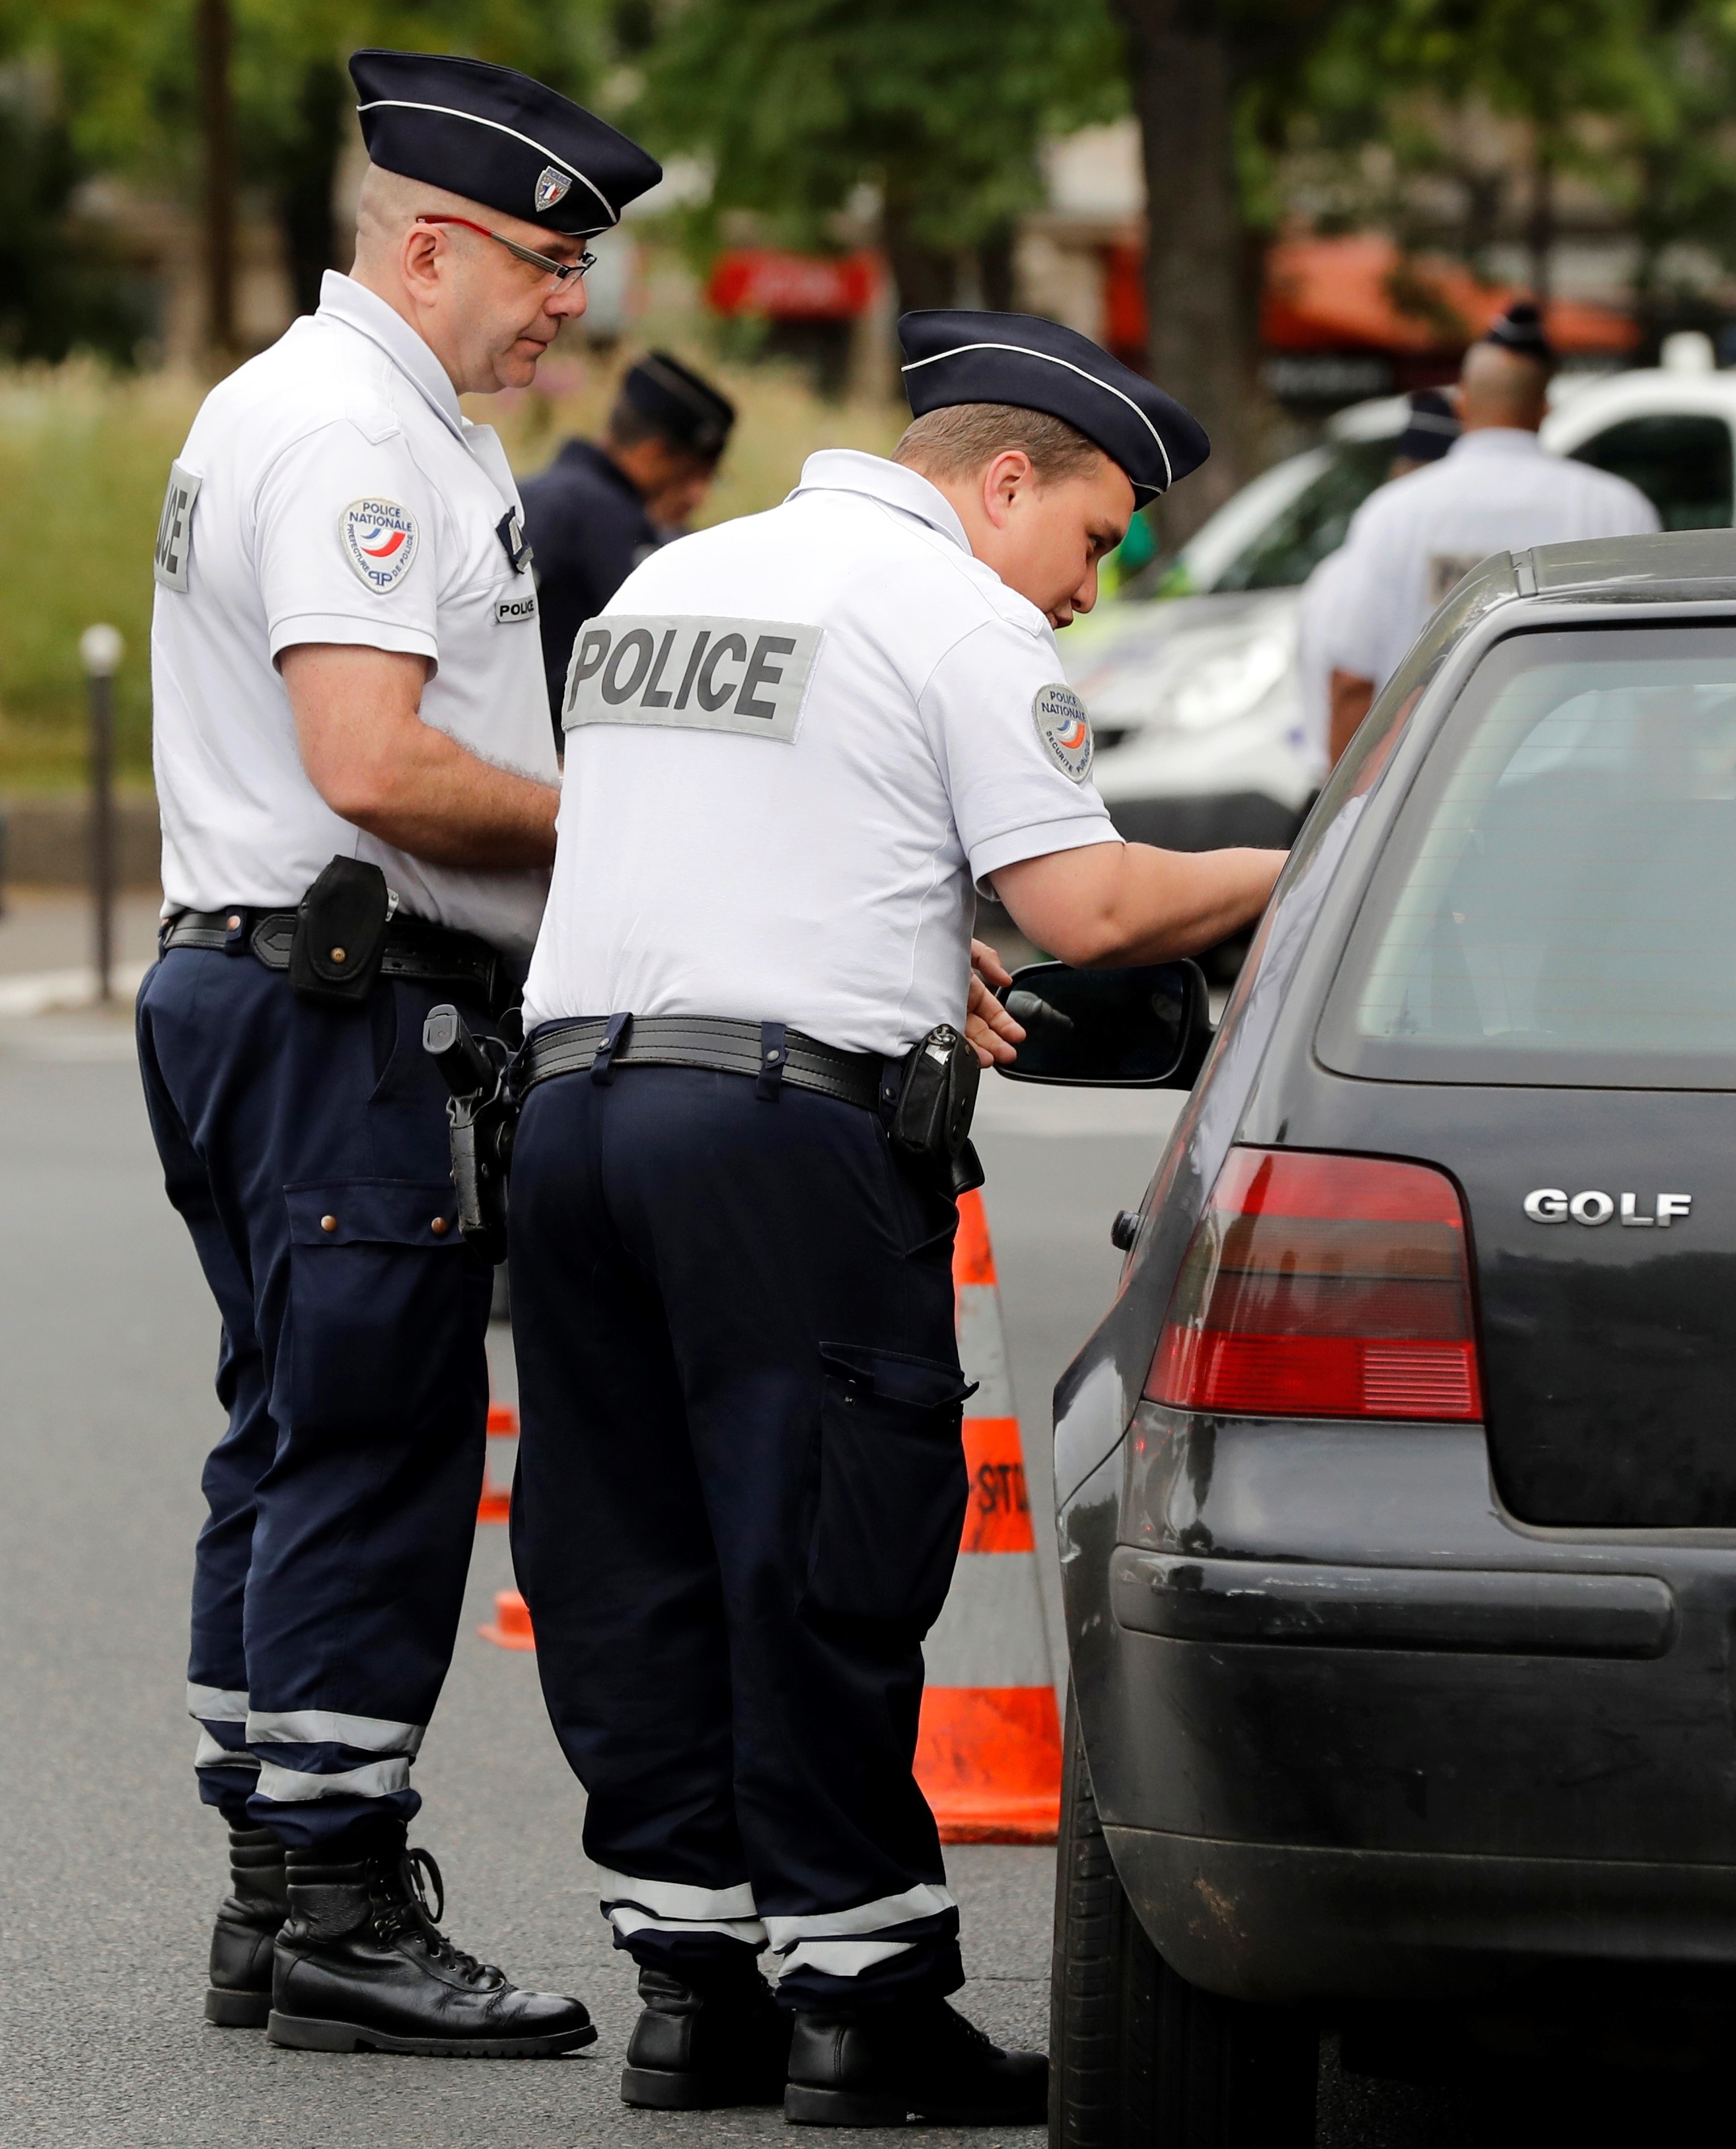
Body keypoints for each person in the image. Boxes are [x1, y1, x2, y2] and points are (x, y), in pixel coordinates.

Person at [505, 310, 1285, 2127]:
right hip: (779, 1143)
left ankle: (691, 1987)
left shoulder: (676, 581)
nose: (1090, 589)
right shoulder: (957, 613)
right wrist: (1313, 850)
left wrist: (910, 932)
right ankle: (861, 1997)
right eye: (1094, 536)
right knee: (821, 1542)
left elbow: (715, 835)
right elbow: (1087, 905)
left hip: (574, 1116)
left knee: (633, 1548)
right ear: (1002, 481)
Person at [133, 47, 658, 2058]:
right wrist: (614, 815)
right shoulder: (359, 439)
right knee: (370, 1448)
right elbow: (368, 762)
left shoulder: (301, 405)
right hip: (344, 1002)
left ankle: (273, 1893)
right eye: (542, 261)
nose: (565, 305)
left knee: (285, 1431)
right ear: (425, 242)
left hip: (255, 990)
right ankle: (343, 1903)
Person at [1322, 301, 1658, 762]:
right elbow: (1652, 678)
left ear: (1460, 402)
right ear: (1544, 407)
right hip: (1587, 797)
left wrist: (1347, 814)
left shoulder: (1394, 513)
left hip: (1428, 802)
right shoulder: (1617, 510)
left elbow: (1351, 681)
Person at [519, 349, 737, 736]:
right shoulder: (611, 522)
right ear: (651, 455)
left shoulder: (527, 492)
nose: (698, 497)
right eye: (692, 476)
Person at [1292, 386, 1457, 785]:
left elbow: (1342, 686)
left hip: (1346, 787)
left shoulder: (1337, 570)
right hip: (1385, 793)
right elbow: (1350, 684)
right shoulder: (1368, 563)